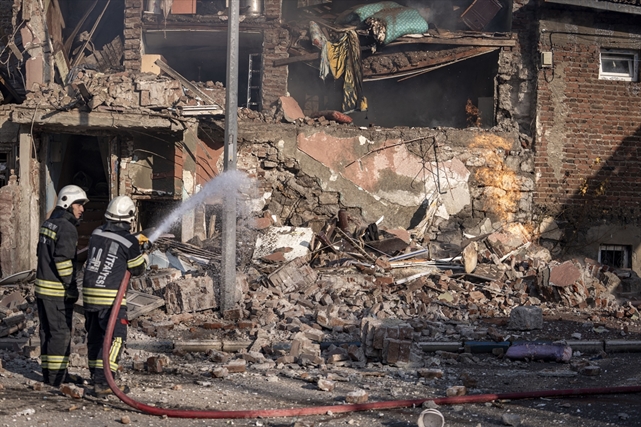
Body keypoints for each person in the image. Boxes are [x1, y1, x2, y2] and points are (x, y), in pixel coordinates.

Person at [82, 195, 146, 395]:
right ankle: (104, 382)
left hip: (89, 295)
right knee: (116, 338)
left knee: (95, 336)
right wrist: (143, 253)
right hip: (110, 298)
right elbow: (138, 269)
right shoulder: (129, 242)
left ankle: (95, 376)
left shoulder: (96, 233)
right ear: (129, 217)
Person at [36, 184, 88, 386]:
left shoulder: (48, 224)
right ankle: (57, 378)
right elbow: (64, 262)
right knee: (60, 333)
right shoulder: (67, 228)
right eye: (79, 204)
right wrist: (71, 288)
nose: (82, 209)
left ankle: (49, 374)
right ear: (67, 203)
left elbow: (41, 254)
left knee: (47, 332)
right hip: (56, 292)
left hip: (42, 290)